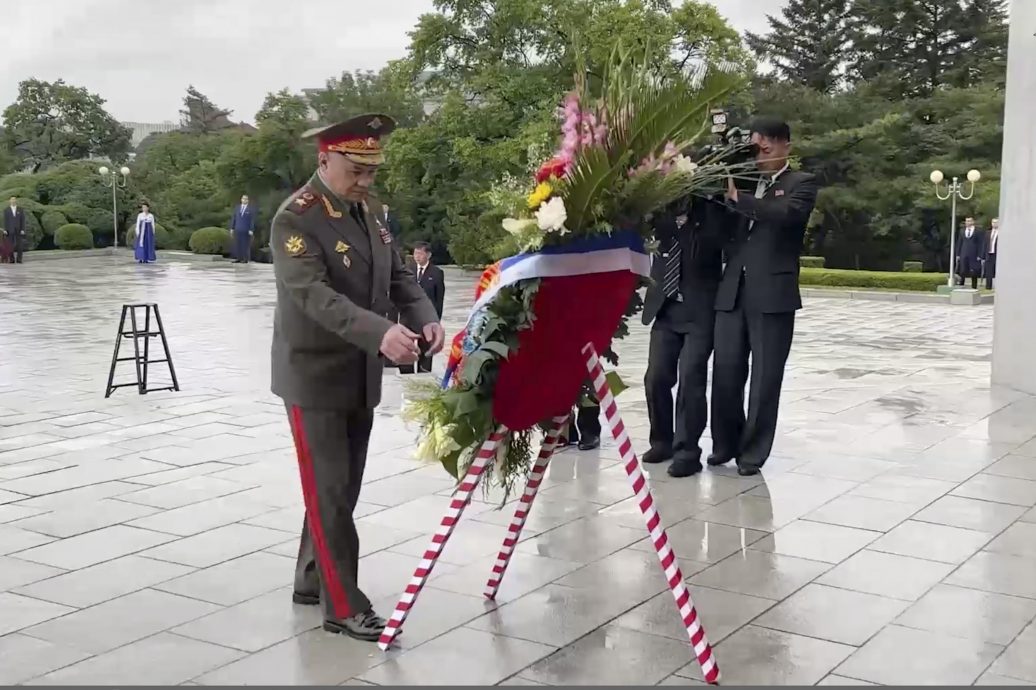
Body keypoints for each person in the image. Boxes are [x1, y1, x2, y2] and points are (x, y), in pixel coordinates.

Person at [270, 113, 443, 642]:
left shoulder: (370, 211)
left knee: (340, 487)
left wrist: (424, 315)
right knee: (330, 491)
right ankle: (343, 605)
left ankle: (309, 578)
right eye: (357, 170)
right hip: (315, 375)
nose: (366, 181)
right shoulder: (296, 218)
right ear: (324, 160)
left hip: (360, 371)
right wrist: (380, 331)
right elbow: (314, 296)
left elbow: (397, 275)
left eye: (372, 171)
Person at [710, 117, 819, 477]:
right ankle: (725, 444)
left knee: (765, 378)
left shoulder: (801, 183)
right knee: (725, 372)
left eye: (767, 149)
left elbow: (784, 215)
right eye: (756, 151)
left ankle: (753, 453)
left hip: (773, 294)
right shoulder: (743, 181)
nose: (761, 157)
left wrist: (737, 198)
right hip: (732, 291)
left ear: (786, 146)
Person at [641, 195, 725, 477]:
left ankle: (687, 452)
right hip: (666, 309)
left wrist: (703, 207)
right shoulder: (659, 213)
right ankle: (661, 441)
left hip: (700, 312)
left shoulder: (711, 213)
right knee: (655, 378)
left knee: (691, 378)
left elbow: (715, 242)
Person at [406, 241, 445, 373]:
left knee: (426, 346)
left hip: (426, 318)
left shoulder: (437, 273)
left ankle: (424, 371)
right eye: (415, 253)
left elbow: (439, 299)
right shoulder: (407, 271)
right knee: (407, 345)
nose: (417, 256)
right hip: (409, 316)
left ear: (428, 255)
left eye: (420, 253)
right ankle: (406, 371)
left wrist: (436, 320)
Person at [956, 216, 985, 290]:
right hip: (964, 252)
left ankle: (974, 286)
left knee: (974, 271)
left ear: (973, 222)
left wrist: (980, 255)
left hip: (974, 253)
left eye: (969, 221)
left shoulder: (978, 231)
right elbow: (959, 242)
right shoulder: (962, 231)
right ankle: (961, 284)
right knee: (962, 270)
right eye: (967, 221)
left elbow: (981, 243)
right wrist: (958, 254)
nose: (968, 222)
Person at [229, 194, 256, 263]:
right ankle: (238, 258)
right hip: (237, 228)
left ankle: (245, 258)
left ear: (248, 200)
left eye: (246, 199)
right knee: (237, 244)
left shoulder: (250, 209)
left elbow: (252, 220)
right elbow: (234, 218)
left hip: (246, 229)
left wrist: (251, 229)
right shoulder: (237, 208)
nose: (244, 200)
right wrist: (232, 228)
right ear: (241, 200)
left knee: (245, 244)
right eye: (243, 199)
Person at [3, 197, 27, 264]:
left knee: (20, 245)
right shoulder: (6, 210)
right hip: (10, 229)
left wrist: (23, 229)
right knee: (10, 245)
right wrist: (5, 229)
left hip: (19, 230)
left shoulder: (20, 209)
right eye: (12, 200)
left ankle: (19, 259)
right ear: (10, 201)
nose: (13, 201)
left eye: (14, 200)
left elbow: (22, 220)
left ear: (16, 201)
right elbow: (5, 221)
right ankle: (11, 259)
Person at [985, 217, 999, 290]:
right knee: (988, 271)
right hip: (989, 254)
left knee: (997, 271)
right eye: (993, 222)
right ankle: (988, 286)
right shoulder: (988, 233)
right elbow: (984, 244)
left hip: (997, 254)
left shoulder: (1001, 232)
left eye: (996, 222)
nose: (994, 224)